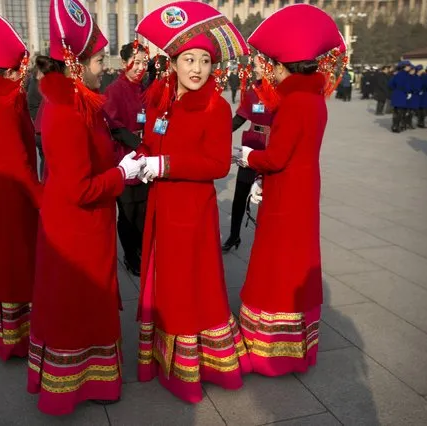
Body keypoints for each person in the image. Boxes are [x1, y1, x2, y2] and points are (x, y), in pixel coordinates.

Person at [27, 0, 146, 416]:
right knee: (78, 308)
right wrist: (123, 173)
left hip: (86, 225)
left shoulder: (82, 105)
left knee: (81, 307)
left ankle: (86, 379)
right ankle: (74, 384)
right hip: (77, 228)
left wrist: (118, 163)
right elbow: (79, 187)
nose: (103, 66)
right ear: (75, 66)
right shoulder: (65, 112)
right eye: (97, 60)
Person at [134, 1, 252, 403]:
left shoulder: (216, 107)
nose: (197, 68)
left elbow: (218, 164)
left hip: (192, 213)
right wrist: (138, 159)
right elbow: (151, 143)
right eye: (189, 59)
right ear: (174, 62)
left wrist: (164, 163)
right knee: (166, 283)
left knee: (190, 286)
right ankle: (162, 359)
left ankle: (190, 372)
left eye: (204, 60)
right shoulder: (160, 101)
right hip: (161, 207)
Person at [236, 3, 346, 377]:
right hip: (303, 191)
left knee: (277, 265)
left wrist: (249, 157)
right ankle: (296, 347)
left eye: (276, 67)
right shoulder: (315, 99)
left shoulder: (295, 102)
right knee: (296, 261)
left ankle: (271, 352)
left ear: (285, 67)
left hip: (286, 195)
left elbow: (278, 157)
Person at [0, 12, 41, 361]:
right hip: (13, 192)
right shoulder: (6, 102)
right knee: (15, 261)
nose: (24, 76)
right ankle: (14, 338)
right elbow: (19, 160)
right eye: (21, 70)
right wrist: (43, 198)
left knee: (1, 259)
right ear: (11, 71)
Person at [103, 41, 150, 276]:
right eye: (136, 62)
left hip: (147, 157)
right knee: (128, 213)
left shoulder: (146, 89)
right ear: (123, 63)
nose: (140, 67)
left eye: (144, 62)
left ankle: (141, 249)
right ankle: (130, 256)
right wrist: (139, 144)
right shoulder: (114, 90)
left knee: (144, 210)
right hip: (126, 157)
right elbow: (114, 127)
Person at [222, 59, 274, 252]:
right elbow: (239, 119)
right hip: (251, 145)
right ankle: (234, 235)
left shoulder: (281, 92)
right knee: (240, 194)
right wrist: (216, 132)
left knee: (265, 197)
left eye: (259, 66)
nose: (255, 70)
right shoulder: (253, 92)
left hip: (270, 146)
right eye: (255, 66)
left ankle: (266, 240)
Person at [27, 66, 45, 178]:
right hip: (41, 129)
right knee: (45, 159)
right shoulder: (38, 86)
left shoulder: (34, 83)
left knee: (44, 158)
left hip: (38, 128)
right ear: (39, 73)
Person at [389, 61, 411, 133]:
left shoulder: (397, 74)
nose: (409, 67)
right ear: (404, 67)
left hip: (396, 94)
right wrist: (408, 92)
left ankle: (395, 126)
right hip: (401, 94)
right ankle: (397, 126)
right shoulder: (404, 75)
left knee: (396, 111)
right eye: (408, 66)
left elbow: (391, 84)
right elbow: (405, 85)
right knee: (400, 112)